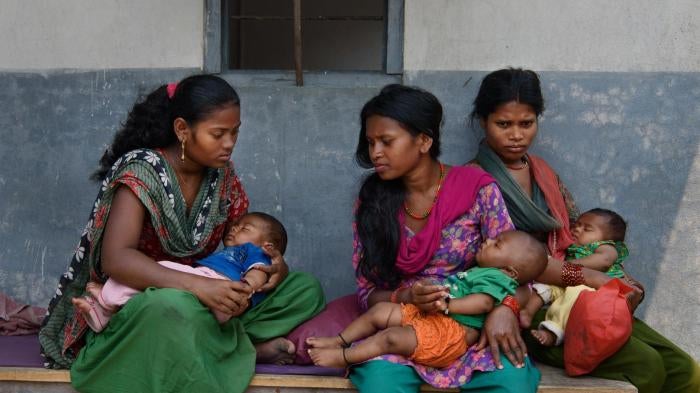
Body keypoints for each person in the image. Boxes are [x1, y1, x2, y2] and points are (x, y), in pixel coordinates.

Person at [38, 75, 325, 393]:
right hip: (142, 300)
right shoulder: (141, 172)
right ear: (182, 130)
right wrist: (199, 287)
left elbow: (241, 245)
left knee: (304, 289)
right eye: (218, 134)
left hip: (202, 296)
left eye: (235, 132)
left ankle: (218, 344)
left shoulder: (222, 178)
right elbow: (116, 260)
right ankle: (234, 349)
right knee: (173, 309)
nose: (229, 143)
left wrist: (271, 267)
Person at [469, 68, 700, 393]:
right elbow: (474, 265)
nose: (516, 135)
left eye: (526, 123)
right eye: (504, 124)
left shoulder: (544, 173)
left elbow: (574, 239)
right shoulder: (470, 182)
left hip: (574, 293)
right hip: (520, 308)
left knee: (686, 371)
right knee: (648, 367)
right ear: (483, 121)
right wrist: (583, 278)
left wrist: (610, 274)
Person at [348, 84, 541, 392]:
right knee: (379, 382)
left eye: (386, 141)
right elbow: (367, 292)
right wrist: (407, 297)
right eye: (371, 143)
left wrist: (505, 308)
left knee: (512, 381)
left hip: (469, 330)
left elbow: (516, 269)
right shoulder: (372, 200)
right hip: (404, 330)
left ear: (424, 140)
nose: (375, 153)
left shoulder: (477, 189)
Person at [307, 230, 547, 374]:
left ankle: (344, 358)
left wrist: (447, 305)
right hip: (433, 315)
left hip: (449, 332)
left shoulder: (496, 279)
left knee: (389, 338)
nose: (488, 240)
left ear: (509, 270)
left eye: (497, 244)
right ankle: (338, 341)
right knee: (380, 311)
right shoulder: (484, 271)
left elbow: (483, 303)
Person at [72, 211, 287, 331]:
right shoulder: (231, 253)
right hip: (207, 293)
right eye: (236, 225)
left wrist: (245, 289)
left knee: (159, 270)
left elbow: (259, 272)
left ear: (268, 245)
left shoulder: (255, 252)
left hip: (222, 290)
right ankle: (106, 314)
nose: (235, 229)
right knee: (157, 294)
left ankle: (107, 298)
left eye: (245, 229)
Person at [522, 208, 629, 346]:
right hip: (570, 282)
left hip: (594, 291)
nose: (577, 229)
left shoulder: (605, 247)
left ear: (608, 239)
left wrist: (569, 264)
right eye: (577, 225)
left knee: (574, 294)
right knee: (545, 287)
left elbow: (604, 261)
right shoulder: (572, 247)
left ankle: (554, 331)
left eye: (587, 229)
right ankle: (528, 312)